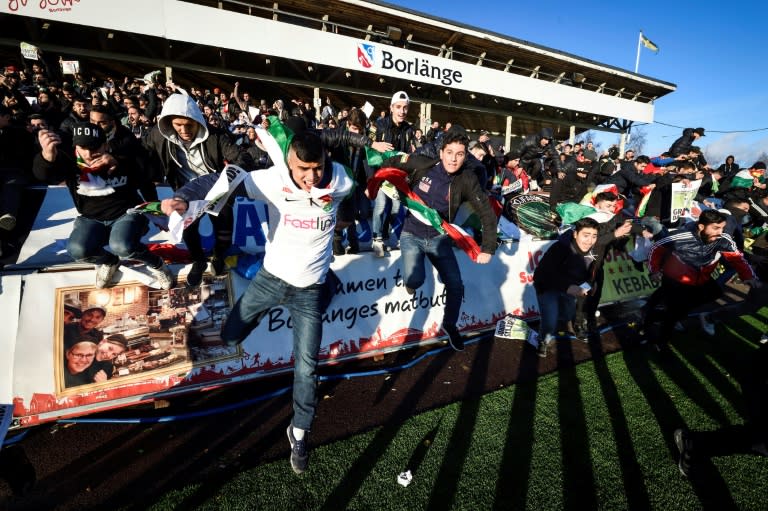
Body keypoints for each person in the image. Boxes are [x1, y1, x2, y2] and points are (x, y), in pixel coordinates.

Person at [161, 130, 353, 475]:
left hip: (308, 292)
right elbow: (223, 179)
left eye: (317, 168)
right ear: (288, 163)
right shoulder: (273, 181)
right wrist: (182, 197)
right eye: (303, 170)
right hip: (269, 281)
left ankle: (298, 431)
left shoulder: (339, 179)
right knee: (231, 335)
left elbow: (357, 186)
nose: (312, 178)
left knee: (307, 367)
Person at [377, 128, 497, 351]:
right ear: (441, 152)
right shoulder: (423, 164)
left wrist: (488, 247)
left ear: (465, 156)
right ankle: (413, 282)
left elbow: (487, 214)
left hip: (440, 239)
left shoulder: (467, 180)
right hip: (411, 234)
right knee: (414, 280)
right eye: (449, 152)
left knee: (456, 284)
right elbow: (393, 160)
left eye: (460, 154)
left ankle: (449, 325)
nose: (453, 158)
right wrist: (376, 180)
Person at [34, 123, 173, 289]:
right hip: (91, 218)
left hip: (126, 213)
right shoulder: (70, 161)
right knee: (77, 250)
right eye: (82, 147)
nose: (88, 153)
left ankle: (157, 264)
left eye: (94, 147)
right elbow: (43, 174)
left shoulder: (121, 156)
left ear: (106, 145)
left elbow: (146, 179)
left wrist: (120, 163)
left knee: (122, 246)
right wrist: (47, 156)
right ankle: (109, 262)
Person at [144, 90, 255, 287]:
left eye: (189, 124)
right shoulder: (159, 136)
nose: (184, 129)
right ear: (169, 123)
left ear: (198, 121)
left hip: (216, 191)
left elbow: (243, 157)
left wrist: (231, 174)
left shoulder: (216, 136)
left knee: (224, 227)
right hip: (186, 193)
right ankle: (198, 261)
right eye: (178, 125)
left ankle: (219, 255)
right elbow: (138, 153)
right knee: (188, 230)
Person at [642, 209, 761, 352]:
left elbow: (736, 258)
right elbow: (656, 249)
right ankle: (660, 342)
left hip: (700, 279)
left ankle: (657, 316)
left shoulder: (722, 238)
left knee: (714, 292)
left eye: (722, 228)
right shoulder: (679, 235)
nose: (720, 232)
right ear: (701, 227)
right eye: (716, 228)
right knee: (673, 312)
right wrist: (654, 270)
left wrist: (748, 276)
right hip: (675, 279)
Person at [533, 217, 599, 357]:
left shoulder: (594, 251)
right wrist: (568, 287)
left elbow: (592, 272)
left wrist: (592, 284)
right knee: (550, 320)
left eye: (594, 236)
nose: (590, 241)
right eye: (586, 235)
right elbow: (541, 275)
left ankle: (574, 324)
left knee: (568, 314)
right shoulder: (560, 248)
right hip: (547, 288)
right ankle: (543, 339)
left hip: (570, 289)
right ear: (575, 234)